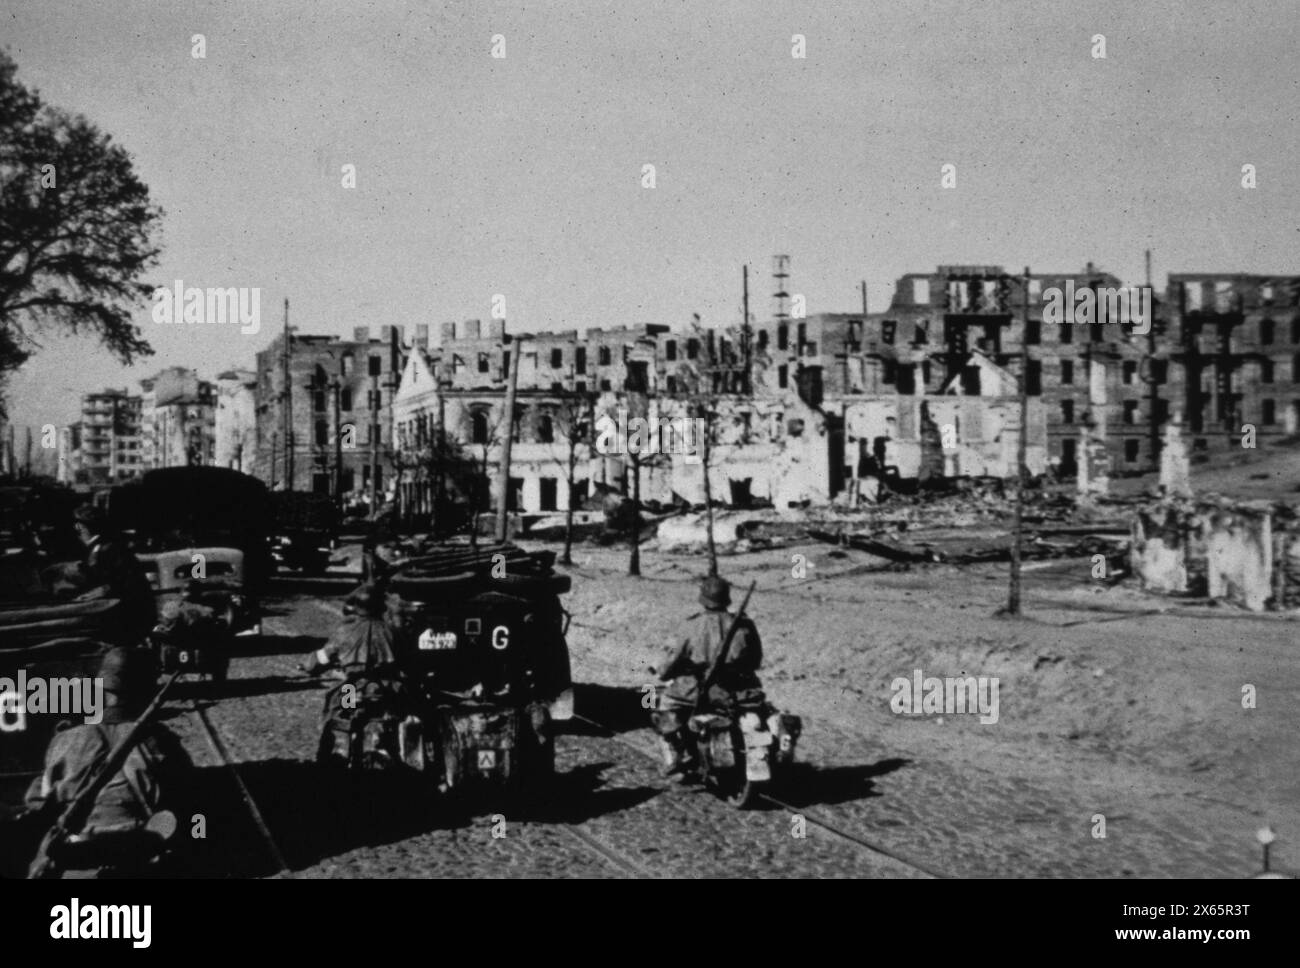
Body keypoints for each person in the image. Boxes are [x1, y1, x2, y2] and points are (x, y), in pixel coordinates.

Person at [24, 646, 192, 877]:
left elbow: (39, 805)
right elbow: (192, 807)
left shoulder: (64, 741)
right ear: (145, 693)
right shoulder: (162, 741)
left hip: (77, 860)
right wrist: (198, 839)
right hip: (142, 857)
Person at [652, 576, 767, 779]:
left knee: (665, 705)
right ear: (726, 598)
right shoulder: (745, 624)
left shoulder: (691, 625)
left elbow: (674, 660)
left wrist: (663, 673)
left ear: (703, 599)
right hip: (738, 689)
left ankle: (677, 754)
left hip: (696, 690)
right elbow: (756, 660)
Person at [72, 505, 155, 640]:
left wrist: (99, 592)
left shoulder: (109, 549)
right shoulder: (101, 548)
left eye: (78, 526)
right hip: (120, 613)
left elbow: (126, 581)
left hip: (127, 616)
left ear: (83, 527)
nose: (77, 530)